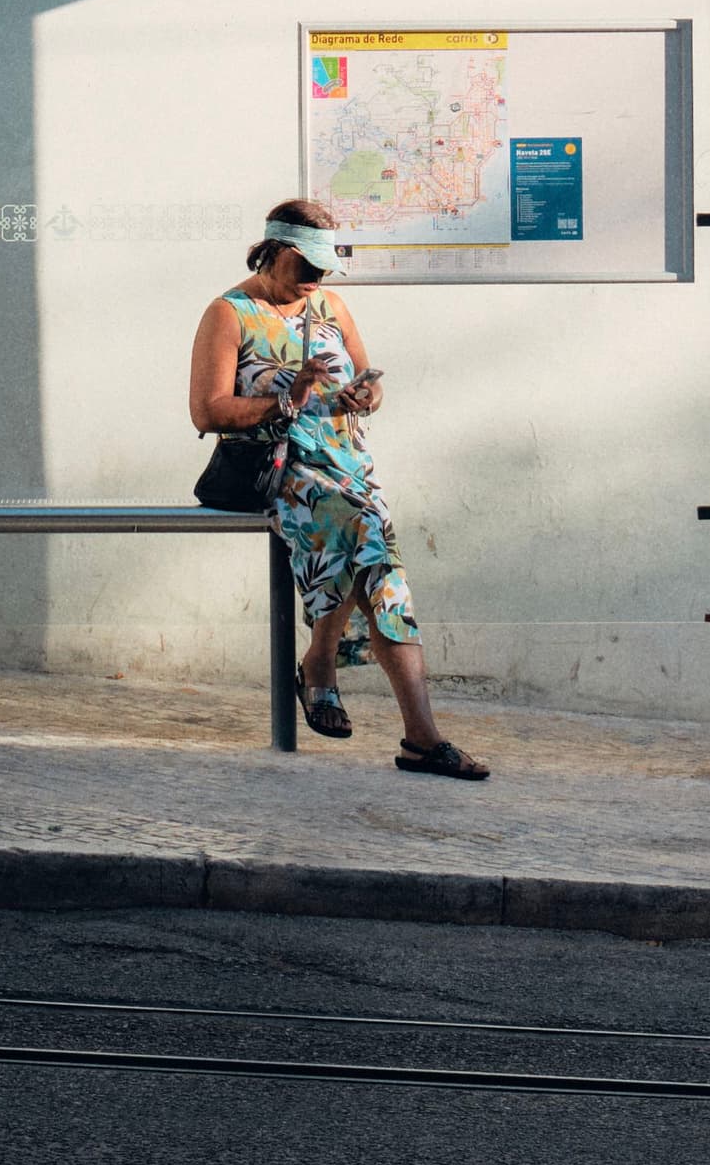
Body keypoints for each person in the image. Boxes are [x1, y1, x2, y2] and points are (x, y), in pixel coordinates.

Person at [188, 198, 488, 779]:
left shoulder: (331, 305)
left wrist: (365, 396)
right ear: (275, 251)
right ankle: (400, 723)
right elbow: (207, 411)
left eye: (326, 267)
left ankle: (340, 679)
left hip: (347, 465)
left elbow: (367, 379)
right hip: (283, 470)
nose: (318, 278)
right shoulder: (230, 313)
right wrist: (287, 398)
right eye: (309, 265)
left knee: (378, 558)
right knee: (369, 534)